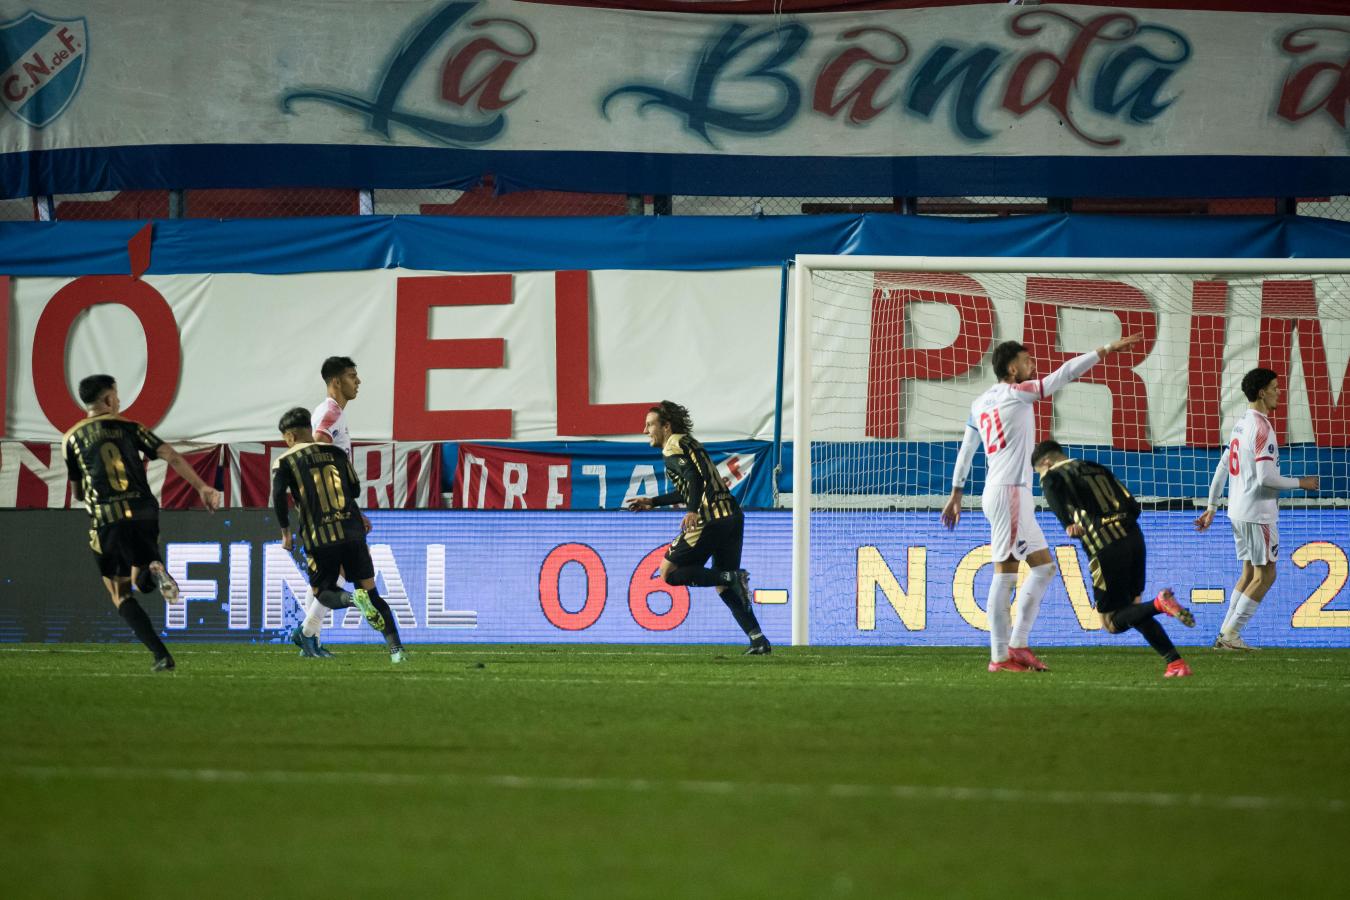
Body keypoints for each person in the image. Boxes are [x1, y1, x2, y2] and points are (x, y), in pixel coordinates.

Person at [941, 333, 1144, 672]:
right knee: (1005, 573)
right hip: (1009, 492)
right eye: (1026, 360)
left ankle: (1017, 645)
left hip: (1003, 491)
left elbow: (965, 452)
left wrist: (956, 493)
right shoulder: (1016, 394)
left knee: (1044, 567)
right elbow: (1062, 375)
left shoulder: (978, 405)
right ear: (1011, 367)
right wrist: (1104, 350)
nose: (1032, 365)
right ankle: (999, 656)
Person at [62, 374, 222, 671]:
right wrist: (202, 487)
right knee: (142, 579)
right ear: (108, 399)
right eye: (117, 395)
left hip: (107, 519)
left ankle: (161, 655)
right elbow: (170, 455)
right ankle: (153, 567)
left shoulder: (70, 438)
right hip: (144, 511)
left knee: (121, 593)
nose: (119, 401)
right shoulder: (131, 428)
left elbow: (78, 492)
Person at [1032, 440, 1195, 677]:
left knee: (1110, 621)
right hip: (1134, 538)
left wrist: (1067, 523)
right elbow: (1132, 504)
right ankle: (1175, 663)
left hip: (1106, 546)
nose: (1041, 477)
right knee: (1133, 610)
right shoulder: (1094, 466)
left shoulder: (1052, 474)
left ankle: (1160, 604)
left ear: (1046, 462)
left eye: (1039, 471)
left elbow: (1050, 488)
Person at [625, 401, 770, 654]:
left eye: (650, 425)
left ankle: (733, 577)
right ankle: (758, 640)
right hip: (732, 516)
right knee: (723, 586)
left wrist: (692, 510)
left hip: (709, 518)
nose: (645, 430)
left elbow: (694, 479)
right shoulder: (689, 442)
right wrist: (654, 502)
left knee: (668, 572)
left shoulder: (672, 447)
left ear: (666, 426)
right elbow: (692, 482)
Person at [1195, 368, 1319, 651]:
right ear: (1262, 392)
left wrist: (1212, 506)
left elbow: (1222, 467)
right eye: (1275, 387)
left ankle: (1224, 635)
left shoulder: (1241, 425)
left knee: (1249, 574)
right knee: (1267, 575)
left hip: (1237, 511)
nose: (1279, 392)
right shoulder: (1262, 428)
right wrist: (1303, 482)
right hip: (1258, 513)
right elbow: (1266, 478)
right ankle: (1230, 635)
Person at [272, 407, 406, 663]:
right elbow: (353, 489)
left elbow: (278, 496)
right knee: (372, 593)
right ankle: (396, 651)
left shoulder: (285, 461)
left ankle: (351, 600)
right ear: (309, 430)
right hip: (352, 530)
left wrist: (285, 533)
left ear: (289, 436)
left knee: (324, 593)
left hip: (319, 536)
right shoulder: (336, 452)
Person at [295, 356, 367, 657]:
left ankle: (308, 634)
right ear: (335, 381)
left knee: (335, 572)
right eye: (352, 376)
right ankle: (307, 634)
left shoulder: (333, 412)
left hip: (334, 503)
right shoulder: (330, 412)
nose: (358, 381)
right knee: (334, 572)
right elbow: (318, 441)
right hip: (330, 506)